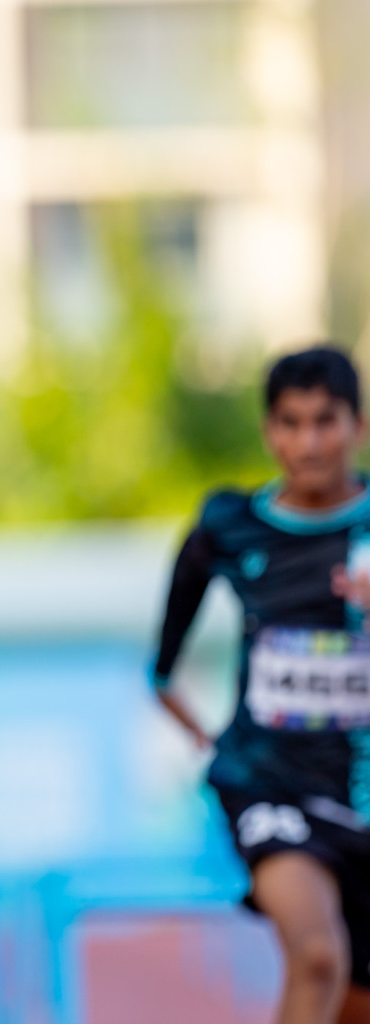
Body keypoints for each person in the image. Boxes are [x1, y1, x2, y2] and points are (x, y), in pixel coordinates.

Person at [153, 346, 370, 1024]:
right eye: (291, 422)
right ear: (269, 429)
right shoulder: (229, 524)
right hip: (269, 784)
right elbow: (162, 669)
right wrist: (207, 739)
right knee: (317, 959)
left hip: (358, 792)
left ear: (357, 426)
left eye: (326, 422)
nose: (308, 443)